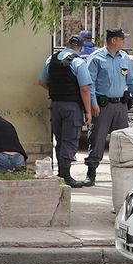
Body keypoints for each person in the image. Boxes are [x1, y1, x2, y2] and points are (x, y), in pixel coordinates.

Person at [84, 28, 133, 186]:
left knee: (122, 141)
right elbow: (90, 83)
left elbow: (131, 82)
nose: (124, 42)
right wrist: (93, 103)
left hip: (121, 106)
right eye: (122, 39)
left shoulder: (124, 58)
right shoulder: (96, 58)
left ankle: (123, 175)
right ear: (113, 40)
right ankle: (91, 172)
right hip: (102, 106)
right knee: (97, 139)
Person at [39, 34, 93, 188]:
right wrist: (88, 112)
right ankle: (66, 175)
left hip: (56, 105)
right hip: (72, 107)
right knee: (70, 140)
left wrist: (57, 91)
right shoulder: (78, 62)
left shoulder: (51, 59)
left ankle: (61, 172)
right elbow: (84, 88)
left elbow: (42, 81)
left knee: (60, 140)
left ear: (67, 44)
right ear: (80, 48)